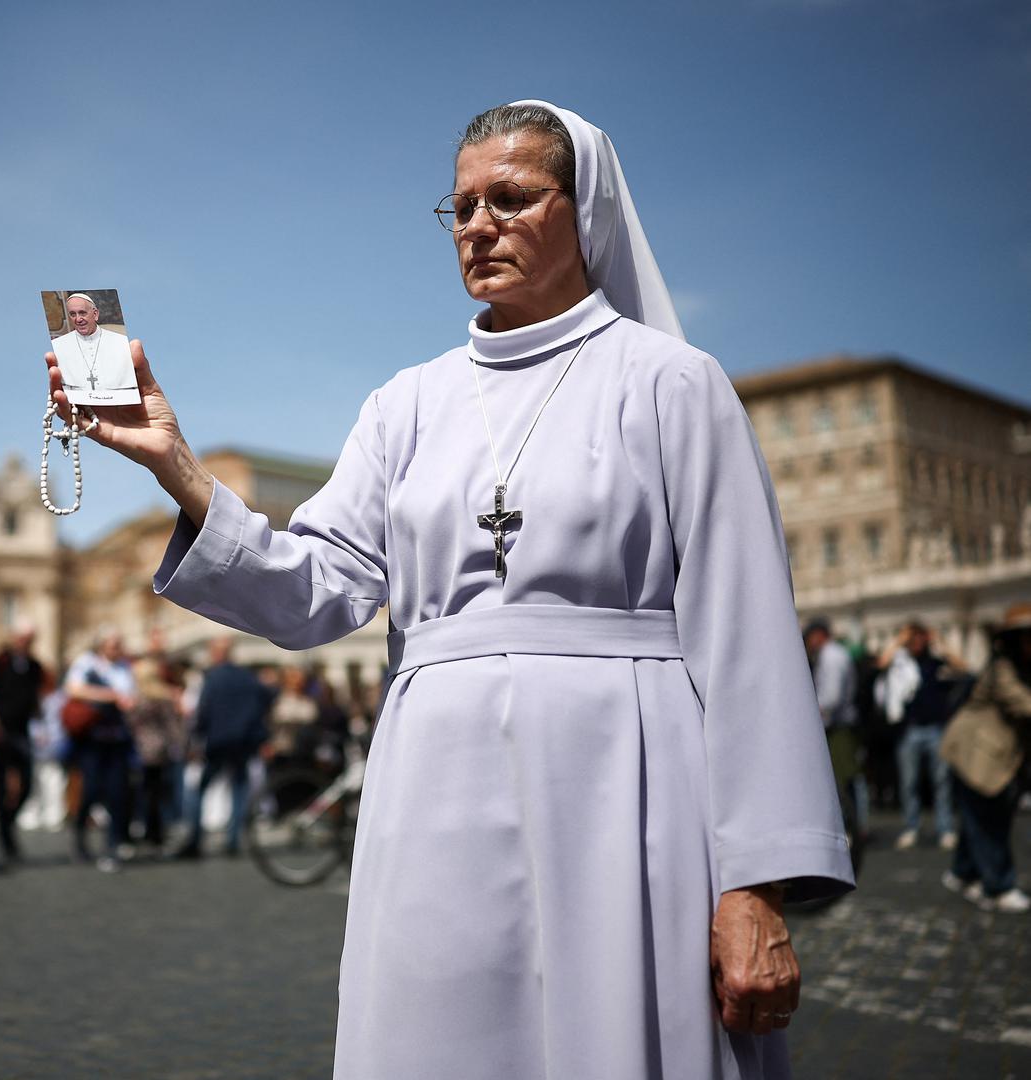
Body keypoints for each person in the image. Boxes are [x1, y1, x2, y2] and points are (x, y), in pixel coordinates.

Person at [48, 100, 853, 1078]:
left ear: (583, 210)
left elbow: (749, 643)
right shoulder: (406, 405)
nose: (478, 225)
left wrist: (754, 888)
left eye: (510, 199)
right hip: (433, 798)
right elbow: (316, 591)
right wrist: (176, 466)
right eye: (462, 206)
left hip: (628, 789)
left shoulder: (672, 385)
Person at [940, 603, 1031, 913]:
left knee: (978, 818)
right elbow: (1021, 703)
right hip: (976, 753)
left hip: (995, 755)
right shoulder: (1003, 667)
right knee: (989, 821)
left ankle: (962, 873)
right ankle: (998, 885)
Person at [174, 637, 272, 858]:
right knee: (239, 789)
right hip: (242, 741)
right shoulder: (247, 677)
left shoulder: (213, 678)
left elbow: (203, 712)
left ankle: (196, 839)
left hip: (218, 741)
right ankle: (233, 840)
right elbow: (265, 699)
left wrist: (196, 739)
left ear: (216, 654)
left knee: (200, 789)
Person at [877, 619, 965, 850]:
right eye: (912, 638)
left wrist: (940, 642)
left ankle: (945, 828)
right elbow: (881, 662)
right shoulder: (901, 664)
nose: (916, 642)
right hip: (909, 730)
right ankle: (911, 826)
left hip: (936, 728)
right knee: (909, 783)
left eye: (919, 637)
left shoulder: (934, 663)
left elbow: (962, 668)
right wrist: (899, 639)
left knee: (941, 782)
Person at [63, 628, 137, 872]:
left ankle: (112, 846)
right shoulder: (87, 663)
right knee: (91, 789)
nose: (116, 648)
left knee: (117, 793)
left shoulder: (125, 667)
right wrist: (110, 695)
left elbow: (130, 696)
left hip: (116, 739)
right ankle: (80, 837)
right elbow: (73, 689)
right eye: (112, 643)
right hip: (92, 739)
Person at [0, 622, 47, 862]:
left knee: (27, 783)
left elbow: (36, 698)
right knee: (1, 785)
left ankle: (7, 822)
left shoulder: (35, 666)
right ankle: (5, 836)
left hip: (22, 732)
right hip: (0, 731)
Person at [805, 618, 867, 840]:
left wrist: (815, 713)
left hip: (838, 726)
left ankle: (854, 826)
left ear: (819, 635)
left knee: (844, 777)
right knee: (845, 778)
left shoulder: (832, 657)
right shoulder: (833, 655)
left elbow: (831, 697)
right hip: (838, 723)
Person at [126, 656, 185, 851]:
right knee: (156, 792)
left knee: (142, 791)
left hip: (139, 748)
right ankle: (155, 832)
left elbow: (130, 723)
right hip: (159, 749)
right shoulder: (162, 695)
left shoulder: (138, 697)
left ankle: (144, 829)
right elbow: (172, 726)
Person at [52, 293, 138, 406]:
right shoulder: (58, 345)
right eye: (73, 314)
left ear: (95, 314)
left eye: (82, 313)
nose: (78, 319)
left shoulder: (121, 342)